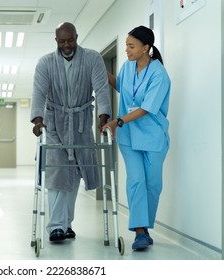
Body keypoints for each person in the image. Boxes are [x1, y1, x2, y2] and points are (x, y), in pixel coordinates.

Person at [30, 22, 111, 242]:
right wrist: (38, 121)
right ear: (56, 40)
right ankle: (56, 226)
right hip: (54, 123)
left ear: (77, 36)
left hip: (81, 122)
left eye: (71, 40)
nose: (67, 45)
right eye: (62, 41)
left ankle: (66, 223)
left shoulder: (92, 58)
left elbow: (102, 88)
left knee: (74, 173)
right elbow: (38, 93)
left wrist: (104, 117)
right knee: (57, 172)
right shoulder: (45, 63)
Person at [103, 25, 171, 251]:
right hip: (129, 137)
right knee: (136, 181)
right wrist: (100, 71)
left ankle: (145, 227)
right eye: (126, 45)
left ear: (146, 48)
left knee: (152, 184)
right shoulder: (127, 67)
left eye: (131, 46)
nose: (127, 50)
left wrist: (117, 121)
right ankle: (140, 232)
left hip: (152, 136)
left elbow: (146, 108)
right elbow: (121, 86)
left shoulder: (159, 74)